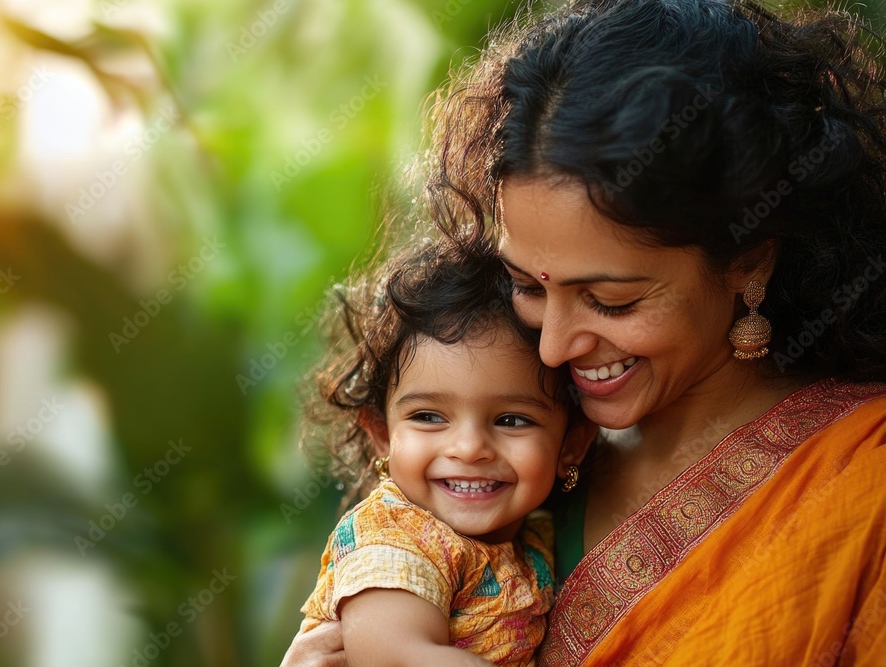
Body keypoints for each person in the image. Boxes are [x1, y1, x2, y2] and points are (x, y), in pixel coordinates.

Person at [281, 0, 886, 664]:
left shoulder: (862, 481)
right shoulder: (504, 478)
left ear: (749, 261)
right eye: (529, 286)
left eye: (610, 300)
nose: (551, 345)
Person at [294, 237, 593, 666]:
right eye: (429, 417)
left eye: (511, 420)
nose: (469, 449)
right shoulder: (397, 535)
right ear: (382, 433)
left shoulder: (534, 536)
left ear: (572, 446)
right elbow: (398, 657)